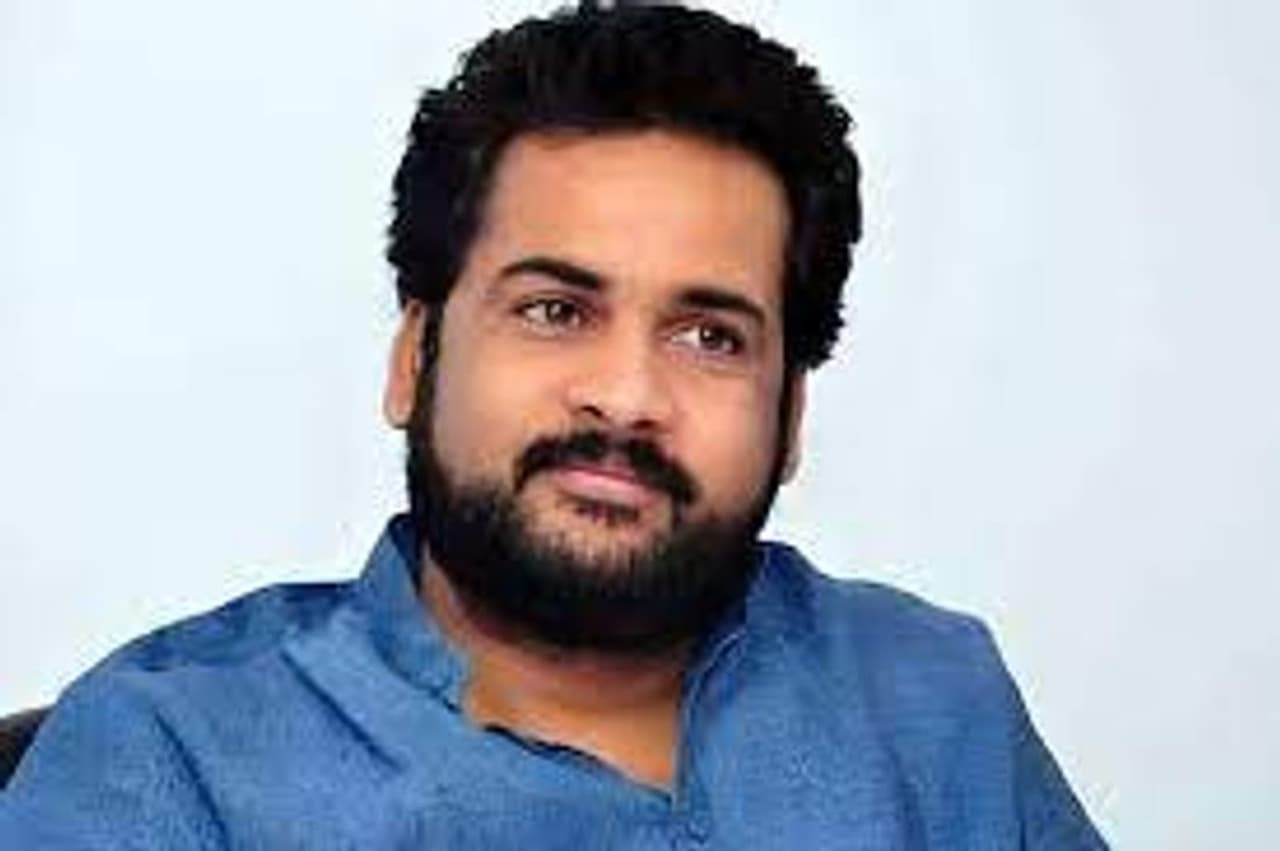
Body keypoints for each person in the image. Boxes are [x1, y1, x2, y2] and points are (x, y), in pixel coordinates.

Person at [0, 2, 1108, 847]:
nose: (625, 395)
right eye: (555, 310)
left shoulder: (930, 694)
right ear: (414, 357)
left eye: (710, 335)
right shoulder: (170, 761)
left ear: (791, 413)